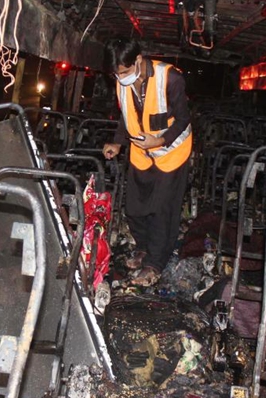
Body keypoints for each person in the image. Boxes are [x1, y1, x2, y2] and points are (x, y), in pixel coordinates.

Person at [102, 38, 193, 287]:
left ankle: (155, 262)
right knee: (134, 208)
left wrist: (160, 140)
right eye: (116, 74)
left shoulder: (170, 78)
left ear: (139, 60)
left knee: (162, 211)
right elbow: (126, 116)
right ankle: (143, 248)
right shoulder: (122, 83)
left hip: (172, 151)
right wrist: (118, 143)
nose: (120, 78)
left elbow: (184, 118)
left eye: (125, 72)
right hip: (141, 151)